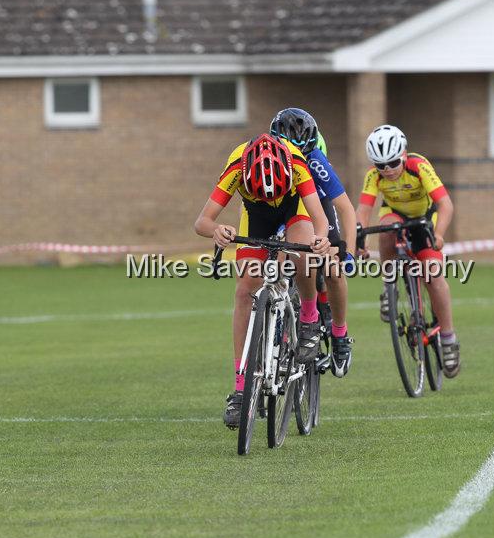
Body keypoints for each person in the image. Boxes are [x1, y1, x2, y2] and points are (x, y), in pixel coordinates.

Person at [194, 133, 334, 428]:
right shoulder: (236, 166)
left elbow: (320, 219)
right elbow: (202, 222)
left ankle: (309, 316)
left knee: (304, 255)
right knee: (245, 289)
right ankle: (241, 387)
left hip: (294, 211)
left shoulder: (295, 162)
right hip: (256, 216)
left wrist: (320, 239)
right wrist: (217, 230)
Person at [355, 124, 461, 378]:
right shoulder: (374, 176)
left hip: (425, 220)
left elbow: (445, 204)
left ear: (403, 155)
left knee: (434, 278)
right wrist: (360, 240)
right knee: (385, 227)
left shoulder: (419, 166)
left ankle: (448, 338)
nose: (388, 170)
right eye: (381, 165)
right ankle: (387, 285)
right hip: (396, 216)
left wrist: (439, 234)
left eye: (392, 162)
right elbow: (363, 210)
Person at [269, 107, 356, 377]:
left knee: (331, 267)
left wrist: (348, 254)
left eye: (302, 154)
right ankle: (278, 329)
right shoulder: (266, 157)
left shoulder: (316, 160)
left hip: (317, 206)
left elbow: (346, 209)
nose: (296, 158)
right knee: (278, 260)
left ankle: (339, 333)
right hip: (288, 208)